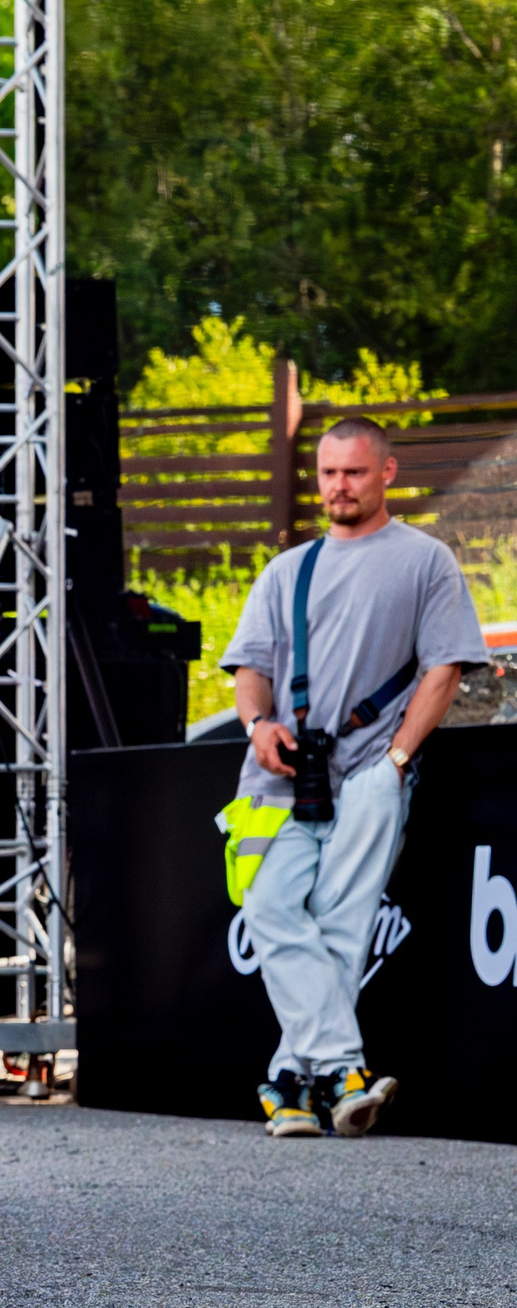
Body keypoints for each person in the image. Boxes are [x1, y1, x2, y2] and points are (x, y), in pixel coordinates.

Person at [223, 417, 488, 1138]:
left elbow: (445, 668)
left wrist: (396, 759)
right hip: (282, 778)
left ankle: (289, 1087)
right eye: (329, 473)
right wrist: (258, 725)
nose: (339, 486)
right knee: (271, 906)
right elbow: (251, 669)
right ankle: (338, 1072)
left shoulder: (424, 560)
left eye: (355, 472)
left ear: (388, 472)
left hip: (374, 770)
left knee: (341, 922)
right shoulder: (287, 569)